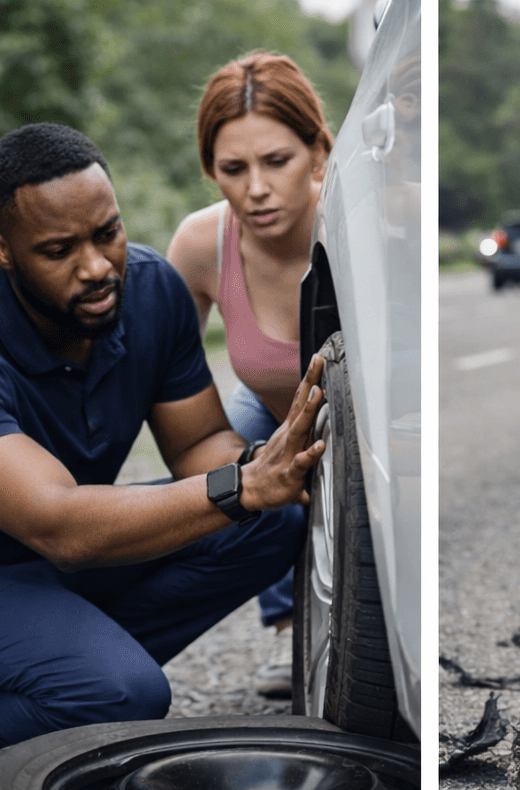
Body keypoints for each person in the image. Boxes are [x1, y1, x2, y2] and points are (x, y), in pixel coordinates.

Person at [0, 122, 328, 790]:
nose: (97, 267)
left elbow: (199, 446)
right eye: (58, 250)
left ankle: (62, 662)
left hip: (57, 567)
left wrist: (263, 470)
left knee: (269, 523)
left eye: (105, 232)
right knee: (122, 692)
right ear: (3, 251)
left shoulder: (150, 291)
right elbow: (60, 525)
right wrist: (242, 486)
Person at [166, 52, 333, 693]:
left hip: (366, 419)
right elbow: (158, 376)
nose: (256, 188)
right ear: (212, 170)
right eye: (233, 169)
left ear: (318, 152)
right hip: (268, 408)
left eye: (277, 161)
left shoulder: (370, 228)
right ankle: (286, 620)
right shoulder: (200, 243)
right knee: (231, 481)